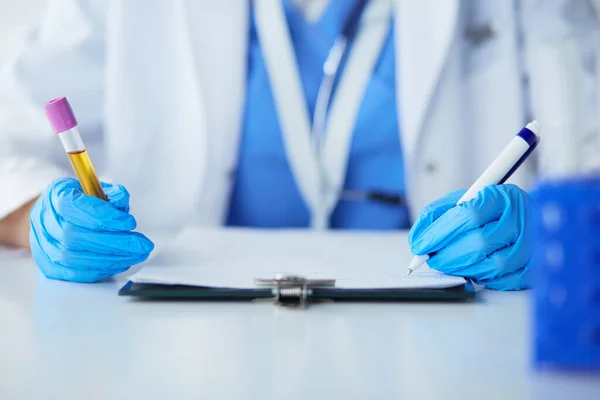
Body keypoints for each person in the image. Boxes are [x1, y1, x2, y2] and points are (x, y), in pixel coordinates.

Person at [0, 0, 591, 289]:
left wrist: (560, 233)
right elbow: (11, 143)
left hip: (450, 337)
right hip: (181, 340)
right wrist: (44, 221)